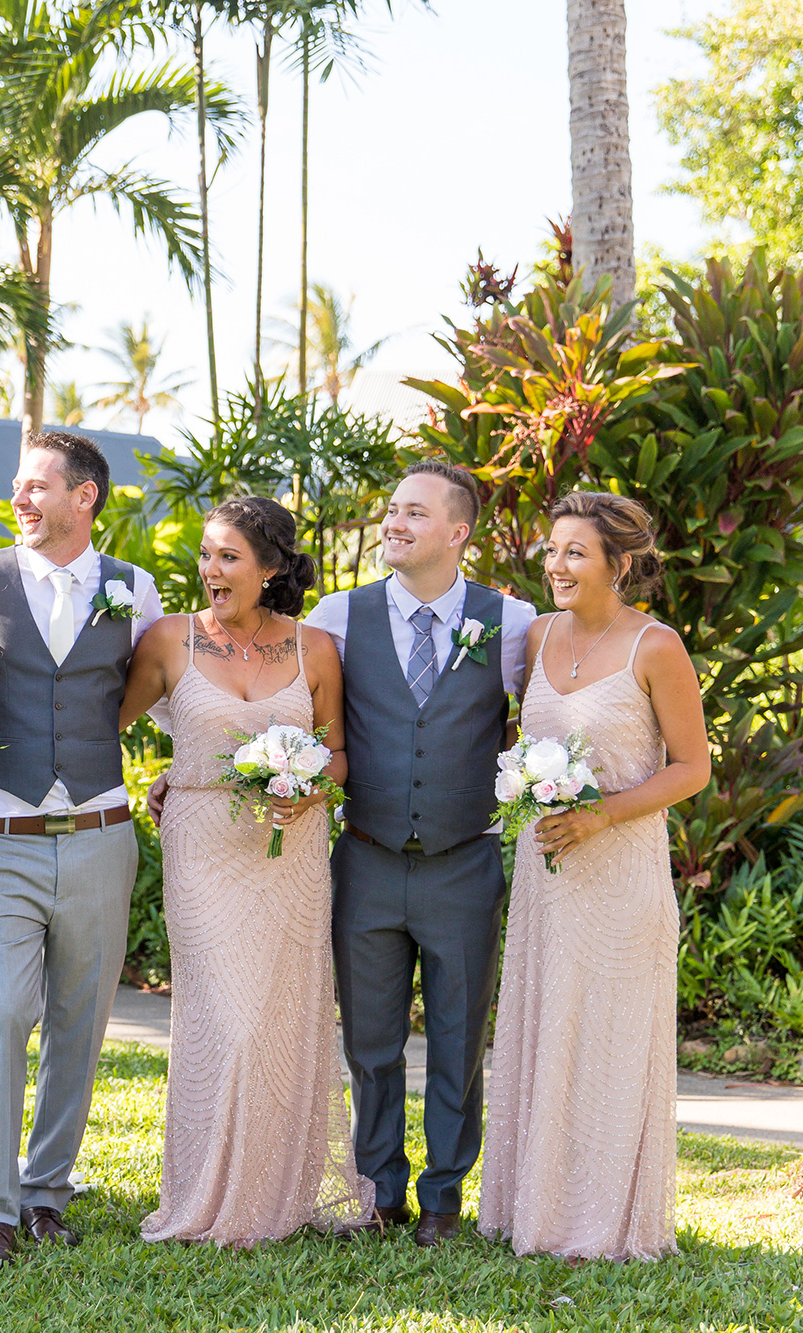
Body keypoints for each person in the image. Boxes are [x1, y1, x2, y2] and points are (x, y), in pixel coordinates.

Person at [121, 496, 372, 1246]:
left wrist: (312, 787)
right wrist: (165, 776)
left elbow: (338, 753)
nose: (210, 570)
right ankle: (208, 1194)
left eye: (228, 556)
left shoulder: (316, 648)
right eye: (206, 555)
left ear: (270, 568)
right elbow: (104, 723)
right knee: (224, 1020)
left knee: (277, 1020)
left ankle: (273, 1194)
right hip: (202, 845)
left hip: (290, 854)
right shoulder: (169, 640)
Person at [301, 460, 537, 1247]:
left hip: (464, 861)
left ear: (457, 531)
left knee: (458, 1035)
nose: (392, 523)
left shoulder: (511, 621)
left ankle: (443, 1195)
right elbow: (289, 710)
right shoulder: (338, 615)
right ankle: (379, 1191)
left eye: (413, 512)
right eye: (390, 510)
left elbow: (540, 725)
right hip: (365, 859)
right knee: (369, 1038)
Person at [479, 491, 707, 1262]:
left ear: (619, 561)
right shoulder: (537, 635)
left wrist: (601, 813)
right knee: (550, 1031)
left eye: (575, 551)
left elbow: (693, 768)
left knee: (607, 1041)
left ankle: (603, 1222)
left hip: (621, 877)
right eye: (552, 549)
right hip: (547, 877)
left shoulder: (656, 646)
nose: (556, 564)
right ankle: (536, 1209)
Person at [0, 432, 162, 1269]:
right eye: (17, 485)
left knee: (81, 1021)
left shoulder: (133, 588)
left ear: (86, 498)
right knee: (3, 1010)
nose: (21, 498)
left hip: (102, 835)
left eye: (38, 486)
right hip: (3, 835)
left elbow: (148, 690)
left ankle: (47, 1193)